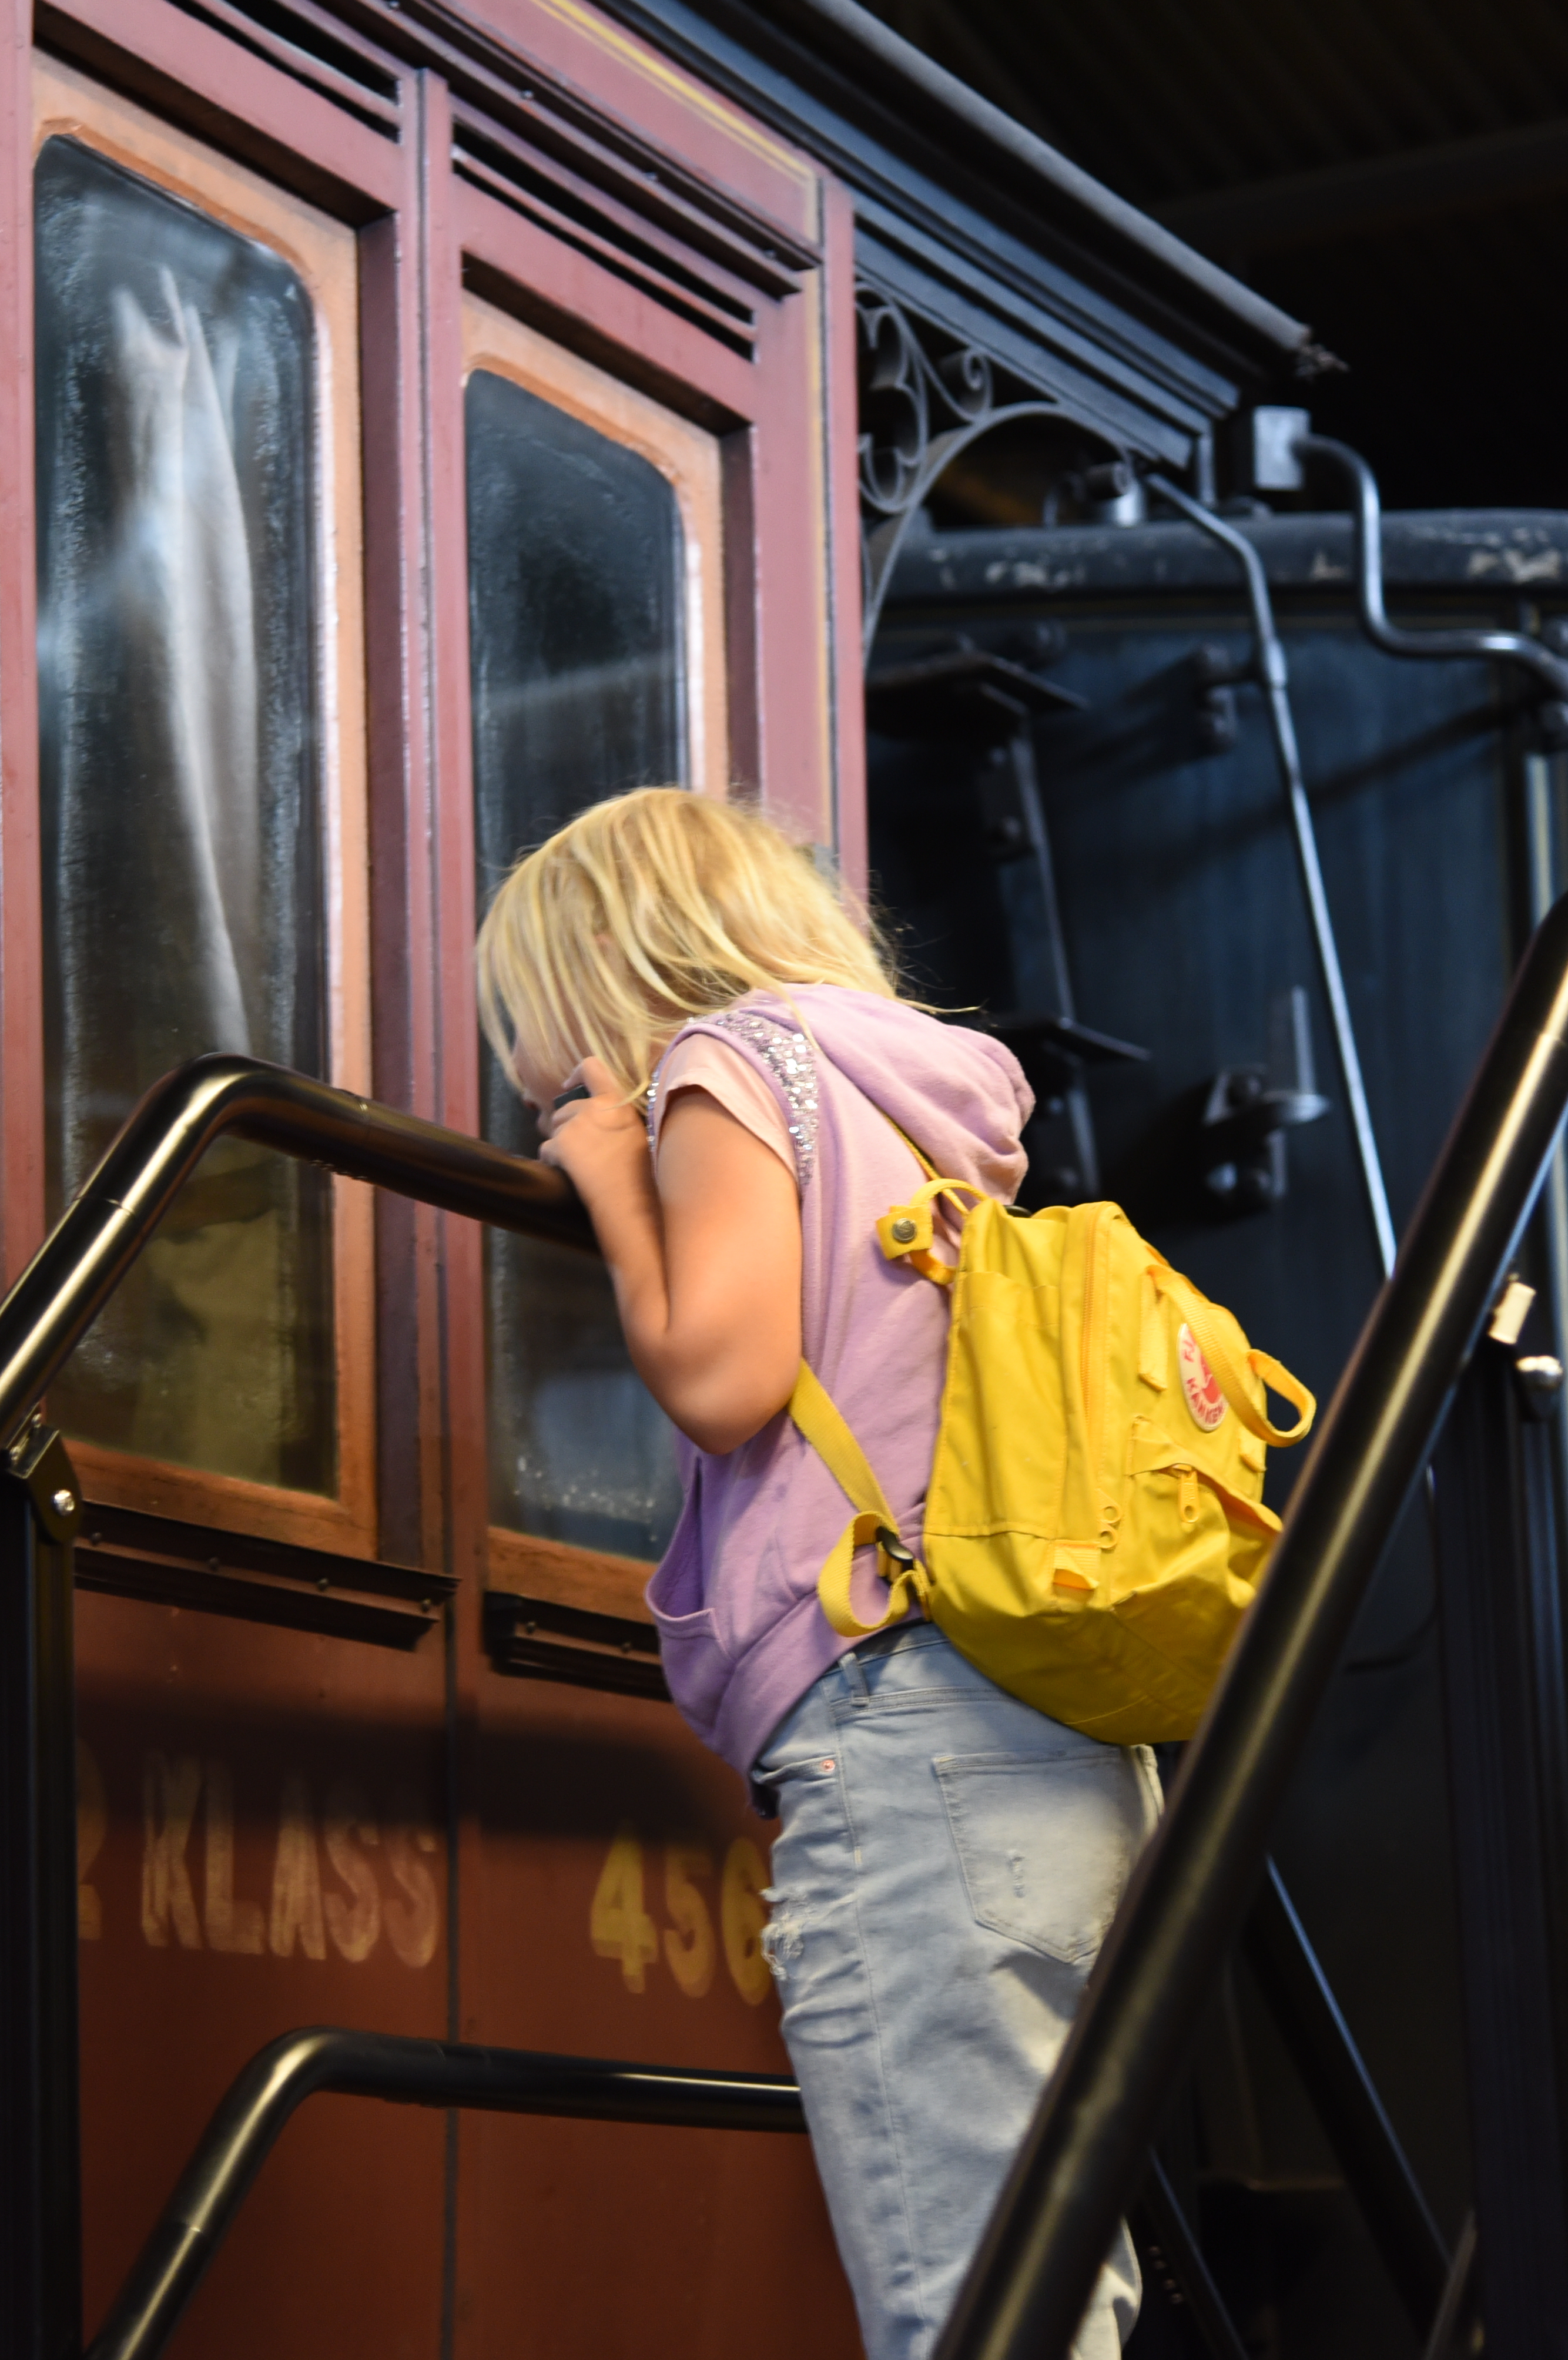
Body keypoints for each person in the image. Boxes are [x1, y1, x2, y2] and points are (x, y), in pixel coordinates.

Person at [475, 786, 1154, 2359]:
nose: (526, 1067)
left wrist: (606, 1178)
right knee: (1049, 2283)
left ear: (603, 965)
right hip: (1058, 1741)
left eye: (529, 1012)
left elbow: (723, 1370)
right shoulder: (927, 1104)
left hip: (906, 1726)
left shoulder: (732, 1069)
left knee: (961, 2308)